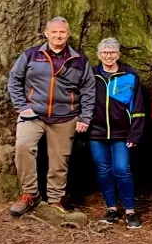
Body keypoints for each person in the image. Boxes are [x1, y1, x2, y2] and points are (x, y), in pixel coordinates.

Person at [6, 17, 96, 217]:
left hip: (66, 116)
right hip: (33, 114)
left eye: (62, 32)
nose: (58, 35)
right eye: (54, 32)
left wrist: (85, 117)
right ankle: (30, 194)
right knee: (23, 147)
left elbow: (89, 90)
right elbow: (14, 79)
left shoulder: (79, 60)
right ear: (46, 33)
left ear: (68, 34)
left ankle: (55, 199)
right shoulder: (31, 55)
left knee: (60, 160)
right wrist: (22, 107)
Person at [85, 38, 146, 229]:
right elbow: (84, 102)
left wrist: (134, 134)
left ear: (118, 54)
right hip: (97, 132)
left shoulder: (129, 75)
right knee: (103, 170)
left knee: (122, 169)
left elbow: (138, 107)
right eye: (104, 52)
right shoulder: (92, 76)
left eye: (112, 52)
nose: (108, 56)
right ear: (98, 55)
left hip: (122, 132)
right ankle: (111, 208)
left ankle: (130, 211)